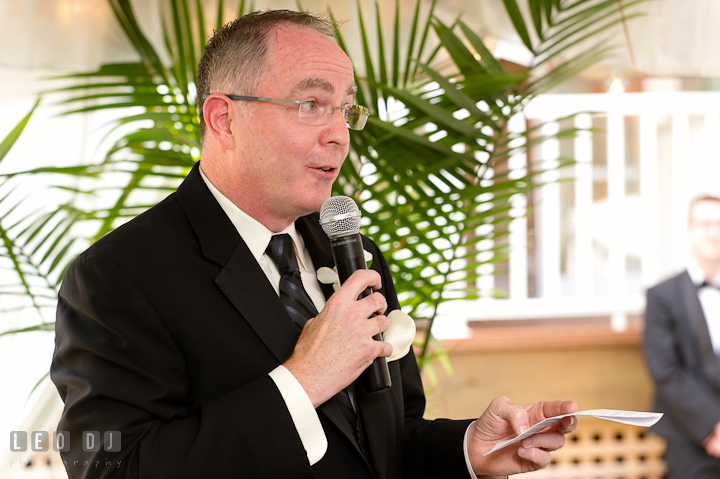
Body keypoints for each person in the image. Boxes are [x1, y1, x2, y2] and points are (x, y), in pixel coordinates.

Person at [50, 10, 577, 479]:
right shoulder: (118, 276)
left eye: (346, 109)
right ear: (223, 118)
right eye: (311, 104)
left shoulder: (351, 254)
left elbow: (387, 443)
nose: (340, 135)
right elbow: (114, 466)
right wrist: (303, 381)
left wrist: (468, 449)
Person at [644, 195, 720, 478]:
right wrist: (712, 426)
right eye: (705, 223)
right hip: (689, 434)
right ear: (690, 229)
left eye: (719, 224)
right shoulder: (661, 296)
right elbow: (665, 370)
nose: (713, 232)